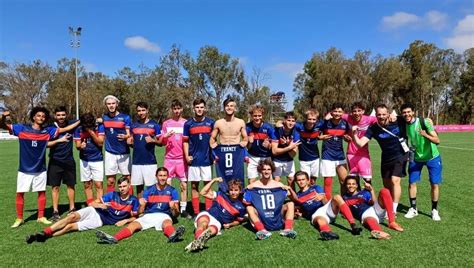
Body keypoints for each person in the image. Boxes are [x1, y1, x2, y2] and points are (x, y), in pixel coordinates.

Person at [0, 107, 78, 228]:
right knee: (20, 193)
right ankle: (19, 218)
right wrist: (3, 117)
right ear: (33, 117)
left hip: (40, 168)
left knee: (41, 192)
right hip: (24, 169)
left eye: (43, 116)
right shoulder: (22, 129)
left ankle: (41, 217)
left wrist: (79, 122)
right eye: (38, 116)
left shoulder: (47, 131)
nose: (41, 118)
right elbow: (4, 126)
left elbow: (64, 129)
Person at [25, 177, 139, 243]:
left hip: (100, 221)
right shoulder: (112, 194)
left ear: (129, 186)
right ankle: (45, 231)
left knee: (70, 227)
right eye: (120, 187)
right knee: (71, 217)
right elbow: (93, 203)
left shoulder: (134, 201)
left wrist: (125, 221)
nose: (122, 189)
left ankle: (43, 237)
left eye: (124, 186)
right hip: (94, 211)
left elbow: (136, 216)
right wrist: (100, 206)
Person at [96, 167, 186, 244]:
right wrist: (141, 206)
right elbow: (139, 213)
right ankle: (114, 238)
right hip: (148, 215)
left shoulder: (172, 191)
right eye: (160, 175)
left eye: (164, 176)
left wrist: (174, 208)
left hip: (164, 215)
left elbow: (176, 215)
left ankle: (173, 235)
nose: (162, 178)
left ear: (167, 177)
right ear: (156, 177)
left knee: (167, 223)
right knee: (133, 225)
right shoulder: (149, 190)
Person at [352, 104, 408, 214]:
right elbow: (360, 144)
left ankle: (393, 210)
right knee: (386, 185)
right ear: (376, 115)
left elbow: (411, 118)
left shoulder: (398, 120)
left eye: (383, 114)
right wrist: (354, 135)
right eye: (379, 114)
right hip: (386, 158)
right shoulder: (374, 128)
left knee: (394, 180)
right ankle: (389, 203)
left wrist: (427, 121)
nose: (381, 116)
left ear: (388, 114)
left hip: (400, 155)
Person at [286, 171, 362, 240]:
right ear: (296, 182)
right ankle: (327, 232)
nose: (301, 182)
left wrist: (323, 198)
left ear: (307, 180)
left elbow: (326, 203)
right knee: (319, 220)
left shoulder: (316, 188)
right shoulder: (298, 196)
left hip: (326, 209)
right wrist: (297, 214)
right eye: (299, 180)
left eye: (303, 179)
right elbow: (297, 211)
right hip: (316, 215)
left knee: (337, 197)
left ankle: (353, 225)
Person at [400, 103, 442, 221]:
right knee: (412, 183)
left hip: (432, 157)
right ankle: (413, 209)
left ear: (413, 112)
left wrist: (425, 135)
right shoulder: (403, 124)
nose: (407, 114)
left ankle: (434, 210)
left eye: (409, 112)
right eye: (404, 112)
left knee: (434, 184)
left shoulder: (424, 122)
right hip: (416, 158)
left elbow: (437, 140)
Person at [185, 177, 246, 252]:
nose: (233, 192)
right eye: (231, 190)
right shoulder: (220, 195)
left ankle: (198, 241)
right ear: (228, 190)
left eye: (236, 190)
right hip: (208, 215)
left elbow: (239, 220)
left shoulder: (241, 207)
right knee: (203, 224)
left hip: (218, 223)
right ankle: (198, 240)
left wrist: (230, 224)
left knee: (210, 231)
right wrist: (213, 180)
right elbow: (202, 192)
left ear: (240, 191)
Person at [243, 159, 297, 240]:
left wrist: (290, 189)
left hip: (277, 214)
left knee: (290, 204)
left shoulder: (278, 185)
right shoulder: (253, 186)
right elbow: (245, 202)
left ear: (272, 171)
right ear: (260, 171)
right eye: (264, 169)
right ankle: (262, 230)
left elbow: (295, 199)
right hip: (261, 216)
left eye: (269, 169)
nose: (266, 172)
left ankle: (287, 229)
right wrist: (246, 190)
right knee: (249, 208)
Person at [183, 98, 215, 216]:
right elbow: (185, 142)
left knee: (208, 185)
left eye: (201, 107)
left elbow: (214, 141)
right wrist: (187, 155)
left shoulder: (211, 123)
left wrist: (214, 154)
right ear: (193, 109)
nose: (199, 109)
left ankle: (209, 211)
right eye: (197, 107)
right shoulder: (188, 124)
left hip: (207, 160)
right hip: (194, 160)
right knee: (194, 186)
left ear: (205, 108)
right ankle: (196, 212)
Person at [210, 97, 248, 192]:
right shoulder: (218, 123)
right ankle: (223, 202)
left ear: (235, 108)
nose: (229, 108)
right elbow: (212, 139)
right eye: (227, 106)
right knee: (223, 179)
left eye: (231, 106)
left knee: (237, 180)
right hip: (222, 155)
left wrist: (243, 143)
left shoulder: (240, 122)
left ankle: (238, 202)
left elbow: (245, 138)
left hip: (236, 156)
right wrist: (213, 147)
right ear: (224, 108)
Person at [47, 106, 78, 221]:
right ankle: (55, 211)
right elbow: (46, 144)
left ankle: (72, 208)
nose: (61, 117)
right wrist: (59, 140)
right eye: (58, 115)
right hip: (55, 161)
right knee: (55, 187)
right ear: (55, 116)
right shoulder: (50, 128)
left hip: (69, 161)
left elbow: (85, 120)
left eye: (63, 115)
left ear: (66, 115)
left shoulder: (72, 124)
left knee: (71, 185)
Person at [160, 99, 189, 217]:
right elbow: (161, 142)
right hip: (169, 159)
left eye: (179, 108)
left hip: (181, 159)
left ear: (182, 109)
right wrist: (165, 136)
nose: (177, 111)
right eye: (175, 109)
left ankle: (183, 209)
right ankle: (169, 208)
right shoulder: (166, 123)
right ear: (172, 110)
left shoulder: (186, 123)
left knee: (183, 185)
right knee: (167, 184)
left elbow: (189, 141)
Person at [128, 102, 161, 198]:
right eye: (139, 111)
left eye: (143, 110)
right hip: (136, 161)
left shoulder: (154, 125)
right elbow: (133, 143)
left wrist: (153, 140)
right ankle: (140, 209)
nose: (141, 113)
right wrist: (130, 143)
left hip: (150, 161)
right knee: (139, 187)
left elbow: (161, 143)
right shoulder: (133, 126)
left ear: (147, 111)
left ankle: (151, 208)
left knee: (151, 187)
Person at [319, 103, 351, 199]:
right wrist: (320, 137)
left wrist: (347, 138)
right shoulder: (324, 123)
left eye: (339, 111)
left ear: (343, 113)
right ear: (331, 112)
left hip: (340, 156)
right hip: (327, 156)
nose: (337, 113)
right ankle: (328, 204)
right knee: (328, 181)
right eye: (335, 111)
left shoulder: (345, 124)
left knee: (344, 181)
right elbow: (313, 132)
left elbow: (349, 137)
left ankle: (345, 201)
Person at [73, 112, 105, 205]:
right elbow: (77, 146)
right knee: (87, 184)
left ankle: (99, 205)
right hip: (84, 160)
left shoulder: (99, 127)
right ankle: (90, 204)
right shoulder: (78, 129)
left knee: (98, 184)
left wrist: (91, 132)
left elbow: (100, 143)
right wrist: (80, 146)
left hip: (97, 159)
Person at [102, 95, 131, 193]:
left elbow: (129, 134)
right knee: (110, 181)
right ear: (106, 105)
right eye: (109, 104)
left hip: (124, 153)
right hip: (110, 153)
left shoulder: (125, 117)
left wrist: (126, 137)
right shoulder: (104, 118)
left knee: (127, 179)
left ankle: (129, 204)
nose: (111, 106)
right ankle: (111, 204)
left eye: (113, 103)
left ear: (117, 104)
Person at [343, 102, 377, 184]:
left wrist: (392, 117)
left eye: (359, 110)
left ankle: (369, 197)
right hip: (351, 154)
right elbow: (335, 113)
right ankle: (356, 197)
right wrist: (345, 135)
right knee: (353, 181)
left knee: (367, 180)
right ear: (351, 112)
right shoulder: (348, 118)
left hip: (363, 154)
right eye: (354, 111)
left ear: (363, 111)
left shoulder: (369, 119)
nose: (357, 113)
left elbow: (381, 119)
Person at [246, 105, 276, 184]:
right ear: (252, 116)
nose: (257, 118)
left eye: (259, 115)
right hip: (252, 157)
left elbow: (274, 146)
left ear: (262, 115)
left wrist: (269, 145)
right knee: (252, 181)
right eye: (255, 116)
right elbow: (247, 147)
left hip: (266, 157)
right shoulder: (247, 127)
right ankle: (253, 196)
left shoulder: (269, 127)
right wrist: (249, 142)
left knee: (267, 181)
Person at [271, 111, 301, 188]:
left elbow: (293, 154)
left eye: (293, 121)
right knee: (276, 182)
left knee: (291, 180)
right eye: (289, 120)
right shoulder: (276, 131)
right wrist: (289, 147)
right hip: (276, 160)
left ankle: (293, 199)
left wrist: (286, 145)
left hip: (289, 160)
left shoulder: (296, 133)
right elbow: (274, 151)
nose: (291, 123)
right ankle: (277, 199)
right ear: (284, 120)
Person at [294, 108, 324, 184]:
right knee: (305, 180)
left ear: (317, 120)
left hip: (315, 158)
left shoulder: (320, 125)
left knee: (313, 179)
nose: (311, 121)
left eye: (314, 119)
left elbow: (328, 120)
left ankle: (311, 192)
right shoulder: (299, 126)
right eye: (309, 119)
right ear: (305, 119)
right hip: (303, 159)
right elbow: (287, 122)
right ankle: (306, 194)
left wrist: (320, 136)